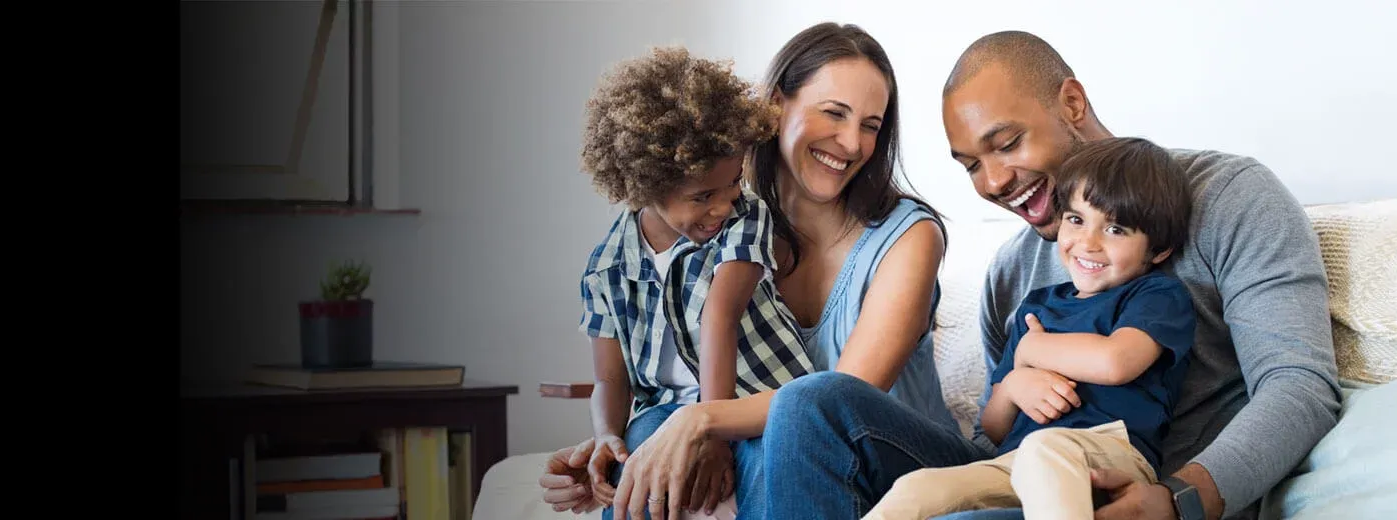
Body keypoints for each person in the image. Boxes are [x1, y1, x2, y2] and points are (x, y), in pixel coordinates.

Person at [758, 29, 1343, 520]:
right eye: (971, 166)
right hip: (1016, 480)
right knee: (812, 402)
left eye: (1006, 144)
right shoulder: (1011, 272)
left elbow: (1300, 386)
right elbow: (996, 434)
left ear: (1071, 103)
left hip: (1139, 484)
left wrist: (1178, 499)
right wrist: (1013, 389)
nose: (991, 182)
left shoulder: (1230, 198)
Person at [540, 22, 953, 520]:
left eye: (870, 124)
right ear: (776, 105)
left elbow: (838, 406)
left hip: (896, 462)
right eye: (834, 113)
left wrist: (700, 421)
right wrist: (621, 454)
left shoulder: (908, 236)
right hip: (789, 455)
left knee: (803, 412)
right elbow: (664, 370)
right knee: (655, 453)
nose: (851, 142)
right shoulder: (717, 223)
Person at [863, 136, 1197, 520]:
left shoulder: (1155, 294)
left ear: (1158, 251)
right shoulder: (1038, 307)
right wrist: (1015, 387)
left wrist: (1030, 353)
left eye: (1116, 229)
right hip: (1019, 460)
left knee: (1045, 451)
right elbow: (993, 427)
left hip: (1109, 455)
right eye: (1076, 220)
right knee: (917, 487)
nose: (1088, 243)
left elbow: (1116, 362)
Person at [564, 45, 819, 520]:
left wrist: (713, 432)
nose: (722, 207)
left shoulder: (746, 218)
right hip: (666, 410)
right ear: (645, 185)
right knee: (636, 456)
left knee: (769, 459)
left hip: (757, 399)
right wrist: (606, 436)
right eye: (702, 196)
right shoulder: (606, 268)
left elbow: (718, 318)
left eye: (732, 186)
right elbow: (609, 377)